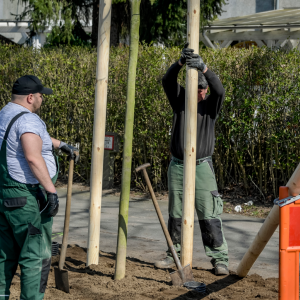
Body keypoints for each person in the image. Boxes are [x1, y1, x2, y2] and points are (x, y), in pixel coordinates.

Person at [0, 75, 79, 299]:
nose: (43, 99)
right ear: (30, 97)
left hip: (4, 195)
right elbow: (33, 156)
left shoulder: (5, 113)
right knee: (35, 256)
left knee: (5, 256)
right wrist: (51, 192)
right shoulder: (28, 119)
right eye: (41, 95)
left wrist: (60, 144)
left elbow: (27, 138)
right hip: (25, 198)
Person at [155, 44, 229, 275]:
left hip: (201, 166)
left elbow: (221, 91)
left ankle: (219, 259)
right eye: (196, 87)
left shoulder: (210, 108)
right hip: (177, 165)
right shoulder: (180, 103)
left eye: (202, 88)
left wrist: (204, 68)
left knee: (209, 214)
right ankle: (173, 255)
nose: (200, 92)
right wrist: (179, 63)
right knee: (176, 213)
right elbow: (167, 81)